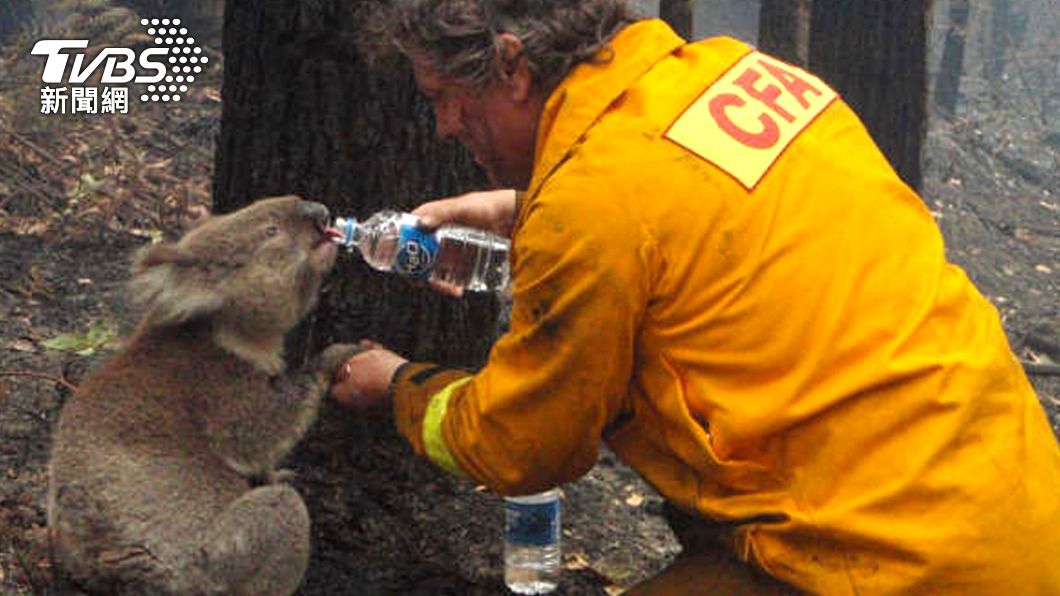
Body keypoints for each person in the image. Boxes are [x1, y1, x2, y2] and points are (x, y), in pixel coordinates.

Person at [331, 1, 1060, 592]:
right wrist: (522, 210)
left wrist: (398, 385)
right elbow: (698, 221)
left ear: (512, 67)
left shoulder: (594, 207)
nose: (443, 127)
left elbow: (524, 443)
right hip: (1013, 510)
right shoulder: (737, 74)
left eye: (444, 99)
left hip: (892, 564)